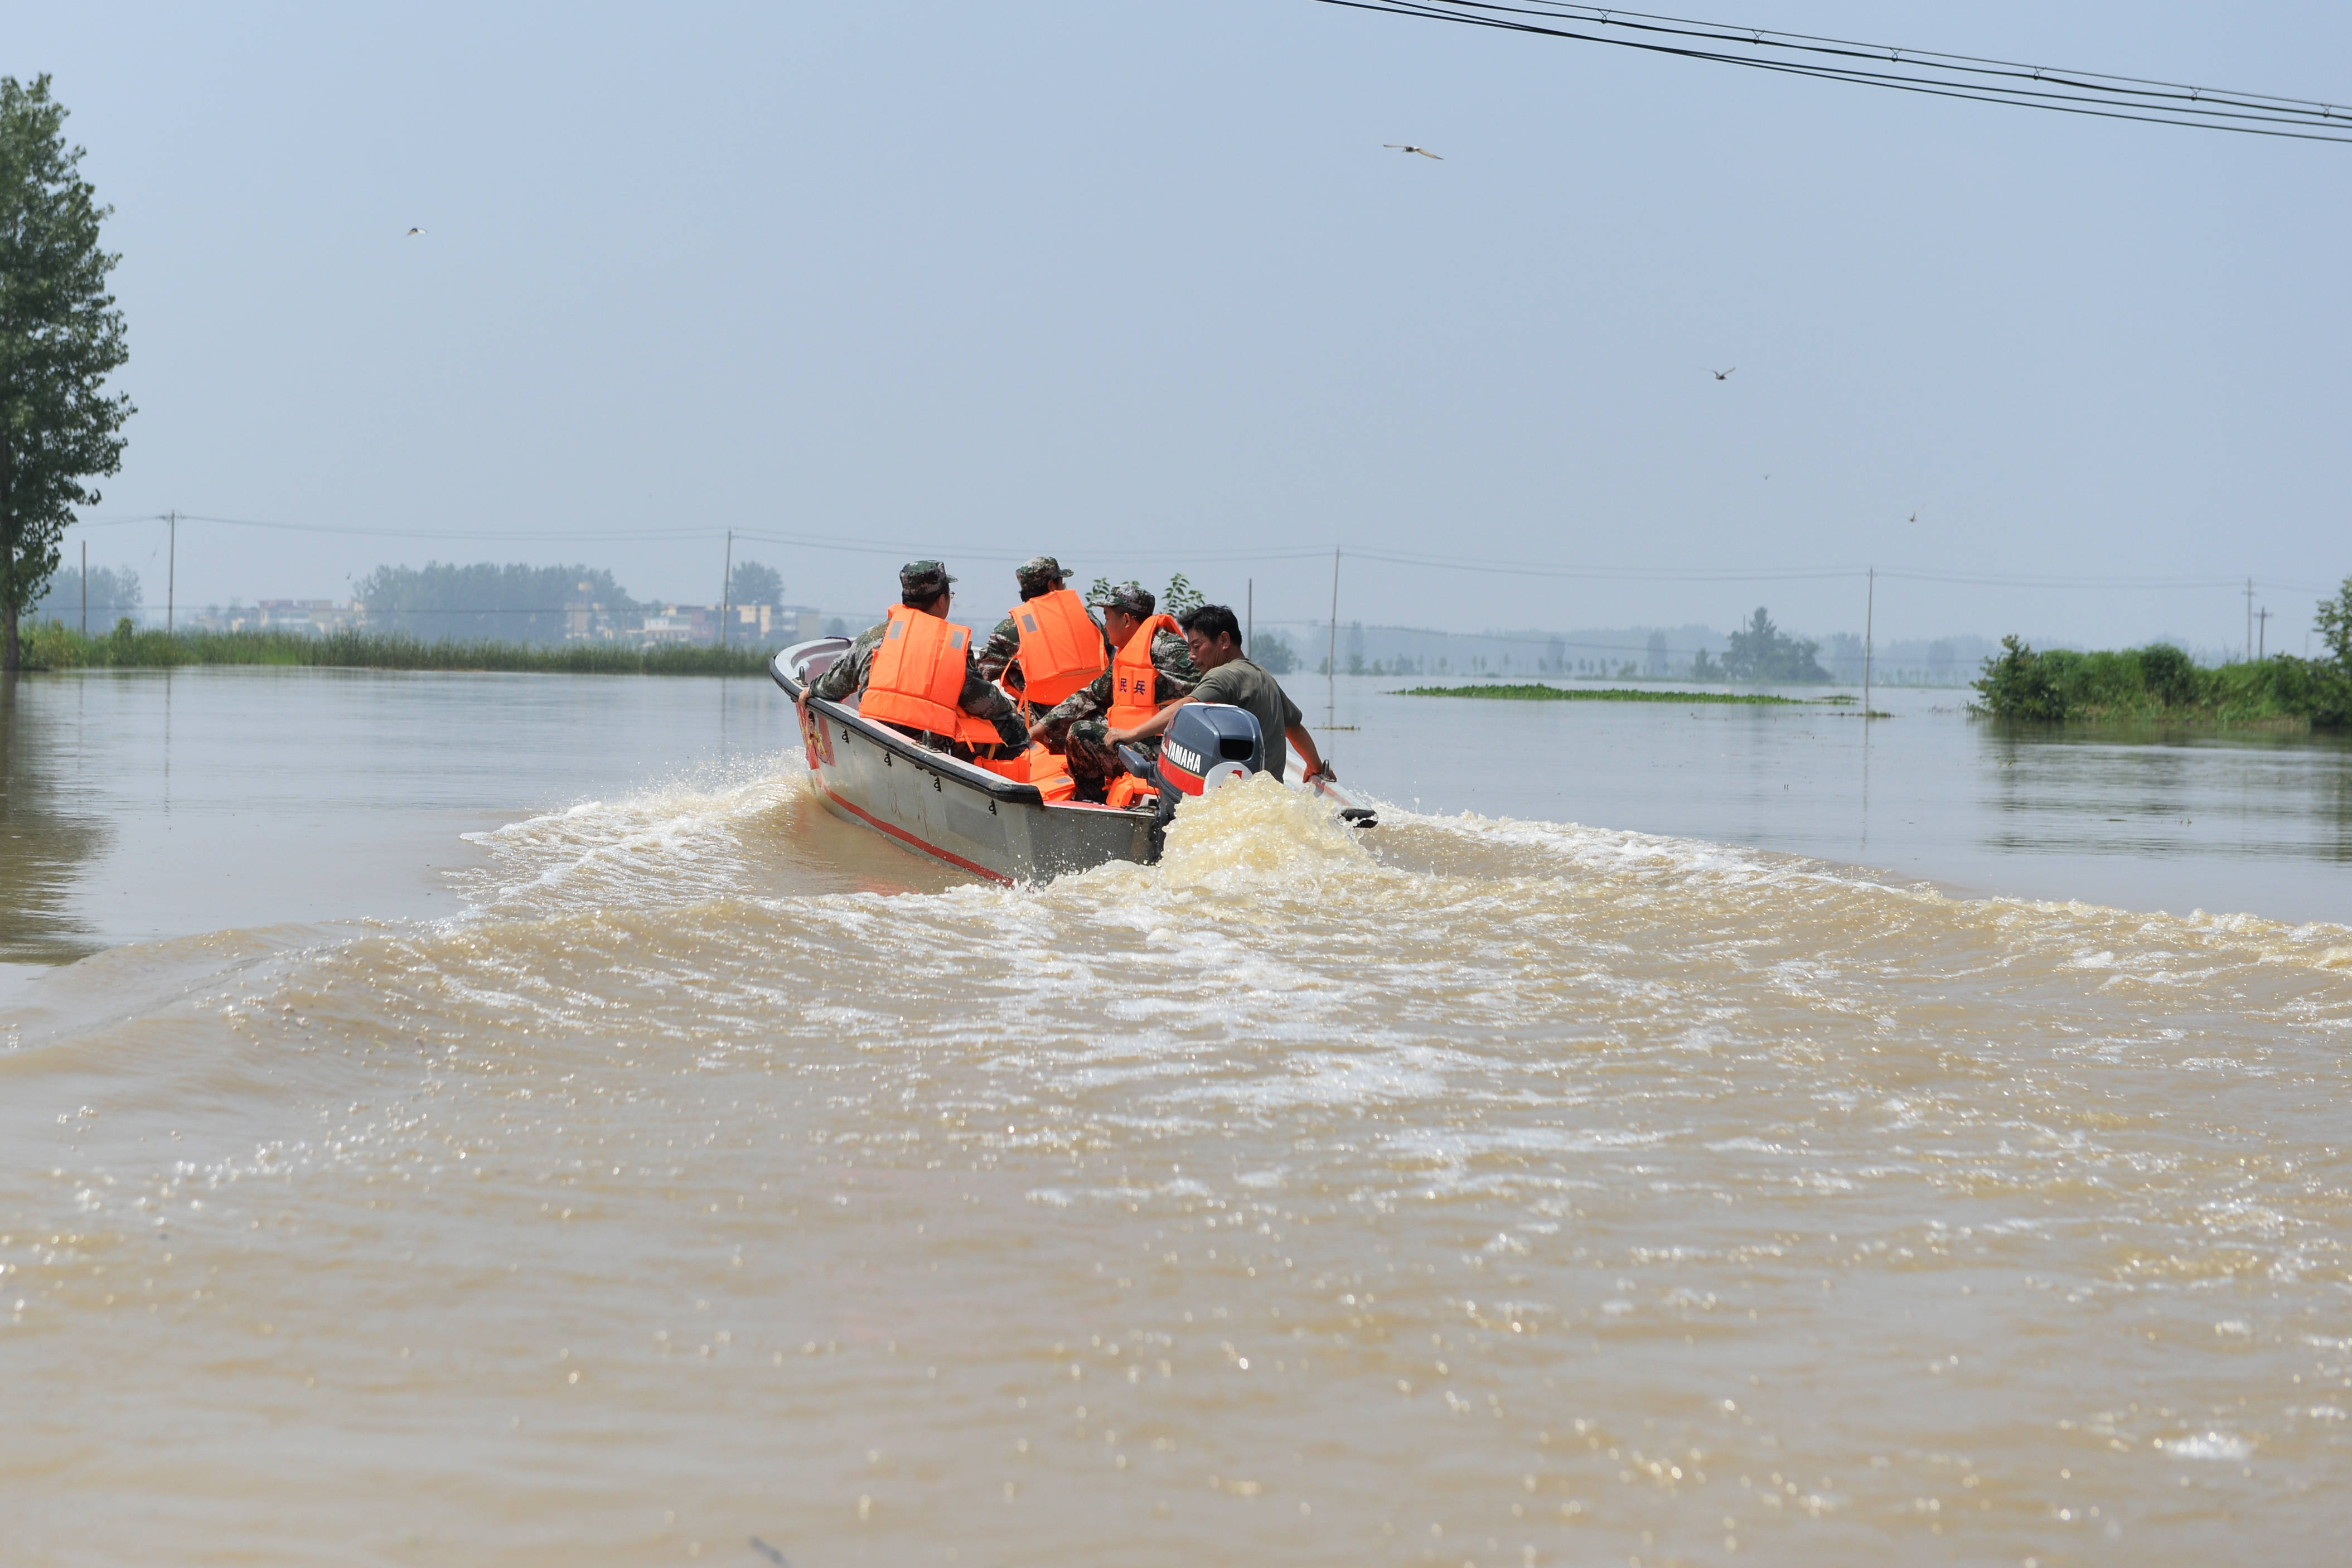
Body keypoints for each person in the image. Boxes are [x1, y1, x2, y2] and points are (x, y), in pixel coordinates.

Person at [808, 560, 1028, 755]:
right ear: (942, 601)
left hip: (874, 738)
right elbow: (984, 702)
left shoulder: (873, 637)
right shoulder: (953, 646)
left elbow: (832, 686)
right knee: (1004, 733)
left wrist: (811, 690)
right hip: (930, 749)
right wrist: (1019, 729)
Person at [1109, 602, 1332, 786]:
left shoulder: (1222, 676)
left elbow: (1184, 708)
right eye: (1190, 649)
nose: (1192, 656)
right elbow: (1294, 728)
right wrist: (1315, 766)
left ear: (1224, 641)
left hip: (1240, 797)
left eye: (1197, 646)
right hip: (1269, 793)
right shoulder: (1263, 676)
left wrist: (1131, 734)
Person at [1030, 582, 1198, 801]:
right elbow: (1092, 695)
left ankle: (1090, 802)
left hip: (1160, 749)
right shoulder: (1128, 652)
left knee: (1082, 733)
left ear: (1127, 620)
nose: (1106, 625)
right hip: (1133, 740)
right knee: (1069, 724)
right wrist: (1042, 727)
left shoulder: (1167, 649)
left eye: (1108, 617)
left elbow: (1202, 695)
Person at [975, 556, 1104, 695]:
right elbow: (1111, 659)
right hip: (1095, 712)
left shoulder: (1013, 628)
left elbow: (979, 677)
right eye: (1062, 583)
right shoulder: (1085, 616)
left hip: (1038, 716)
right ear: (1051, 586)